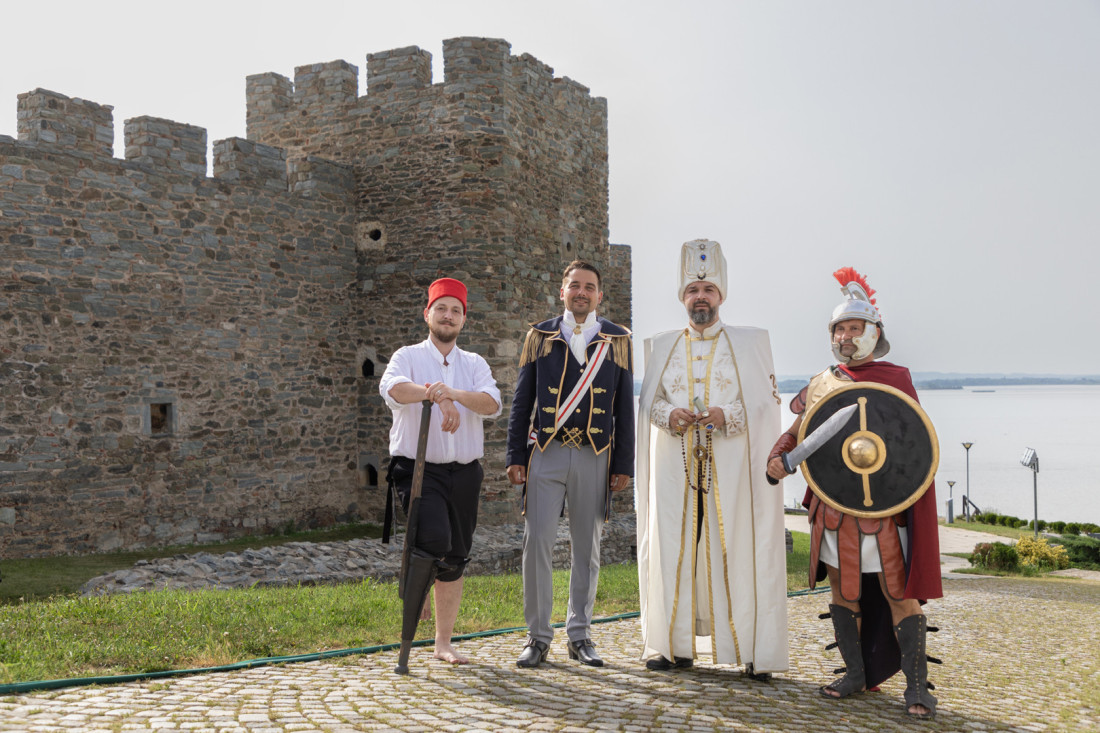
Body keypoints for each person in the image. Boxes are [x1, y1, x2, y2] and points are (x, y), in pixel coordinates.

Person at [766, 267, 942, 720]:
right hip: (835, 506)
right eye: (838, 329)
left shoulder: (895, 379)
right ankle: (855, 674)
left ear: (873, 332)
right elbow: (800, 430)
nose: (845, 337)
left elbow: (910, 441)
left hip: (885, 508)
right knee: (843, 591)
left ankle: (917, 687)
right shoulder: (823, 382)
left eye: (853, 327)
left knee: (898, 592)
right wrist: (779, 453)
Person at [635, 239, 789, 678]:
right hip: (676, 465)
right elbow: (648, 404)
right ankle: (673, 646)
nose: (700, 297)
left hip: (733, 467)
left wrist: (727, 415)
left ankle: (753, 649)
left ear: (721, 295)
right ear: (682, 297)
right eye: (692, 290)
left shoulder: (749, 343)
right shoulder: (662, 346)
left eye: (707, 290)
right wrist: (668, 415)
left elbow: (765, 406)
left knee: (739, 545)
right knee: (673, 547)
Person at [506, 260, 635, 668]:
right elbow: (522, 401)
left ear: (599, 295)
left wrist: (624, 463)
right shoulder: (540, 336)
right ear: (562, 291)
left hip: (595, 454)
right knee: (537, 545)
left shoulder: (618, 340)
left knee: (587, 549)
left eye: (589, 287)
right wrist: (515, 455)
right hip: (546, 451)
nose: (581, 292)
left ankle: (579, 635)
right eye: (575, 285)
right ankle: (538, 636)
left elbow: (623, 409)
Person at [379, 277, 502, 665]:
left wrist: (453, 394)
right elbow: (394, 389)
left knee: (456, 555)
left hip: (464, 472)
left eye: (455, 311)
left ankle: (442, 642)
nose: (448, 316)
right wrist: (434, 393)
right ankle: (419, 578)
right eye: (441, 309)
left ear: (464, 320)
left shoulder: (474, 363)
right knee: (434, 537)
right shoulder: (408, 356)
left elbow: (491, 404)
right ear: (427, 314)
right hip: (418, 468)